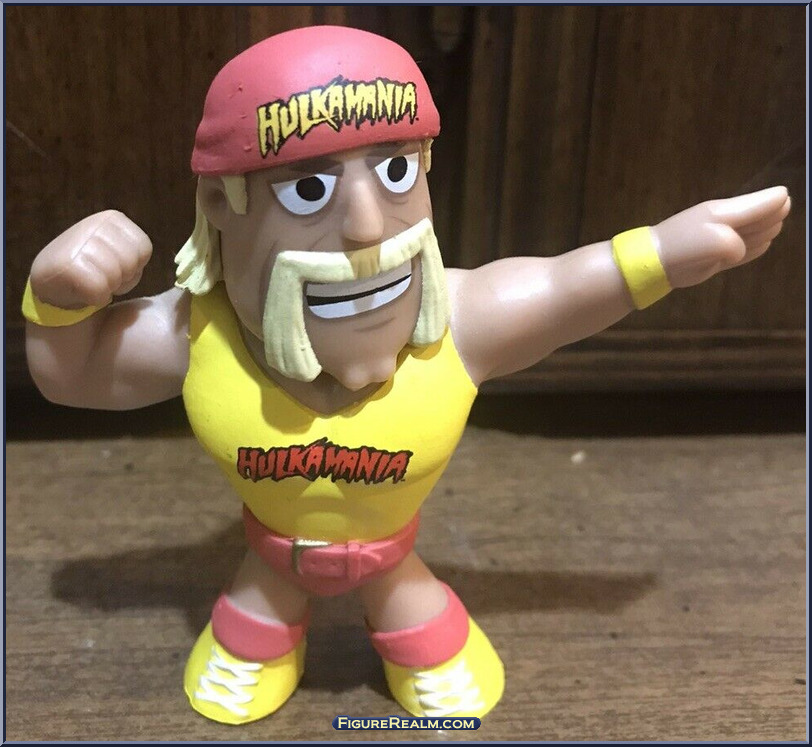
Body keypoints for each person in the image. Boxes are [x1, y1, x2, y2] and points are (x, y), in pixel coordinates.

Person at [23, 26, 791, 725]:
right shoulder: (197, 332)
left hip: (393, 554)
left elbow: (562, 288)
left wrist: (664, 252)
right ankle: (261, 634)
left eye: (394, 170)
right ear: (223, 203)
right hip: (272, 556)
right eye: (309, 187)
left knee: (420, 625)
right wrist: (56, 300)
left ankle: (414, 632)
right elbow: (75, 375)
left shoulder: (458, 318)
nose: (366, 226)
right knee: (256, 616)